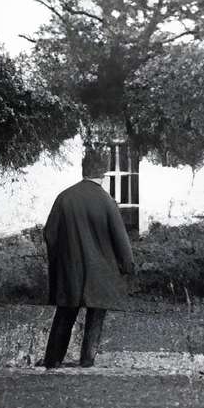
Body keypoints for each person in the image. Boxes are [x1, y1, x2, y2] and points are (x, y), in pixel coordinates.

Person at [40, 144, 135, 370]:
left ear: (83, 170)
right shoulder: (106, 201)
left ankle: (52, 361)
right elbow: (121, 240)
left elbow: (49, 233)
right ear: (103, 173)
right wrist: (127, 266)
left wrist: (60, 258)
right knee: (96, 317)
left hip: (70, 269)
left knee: (64, 315)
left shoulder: (65, 197)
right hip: (100, 272)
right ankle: (87, 361)